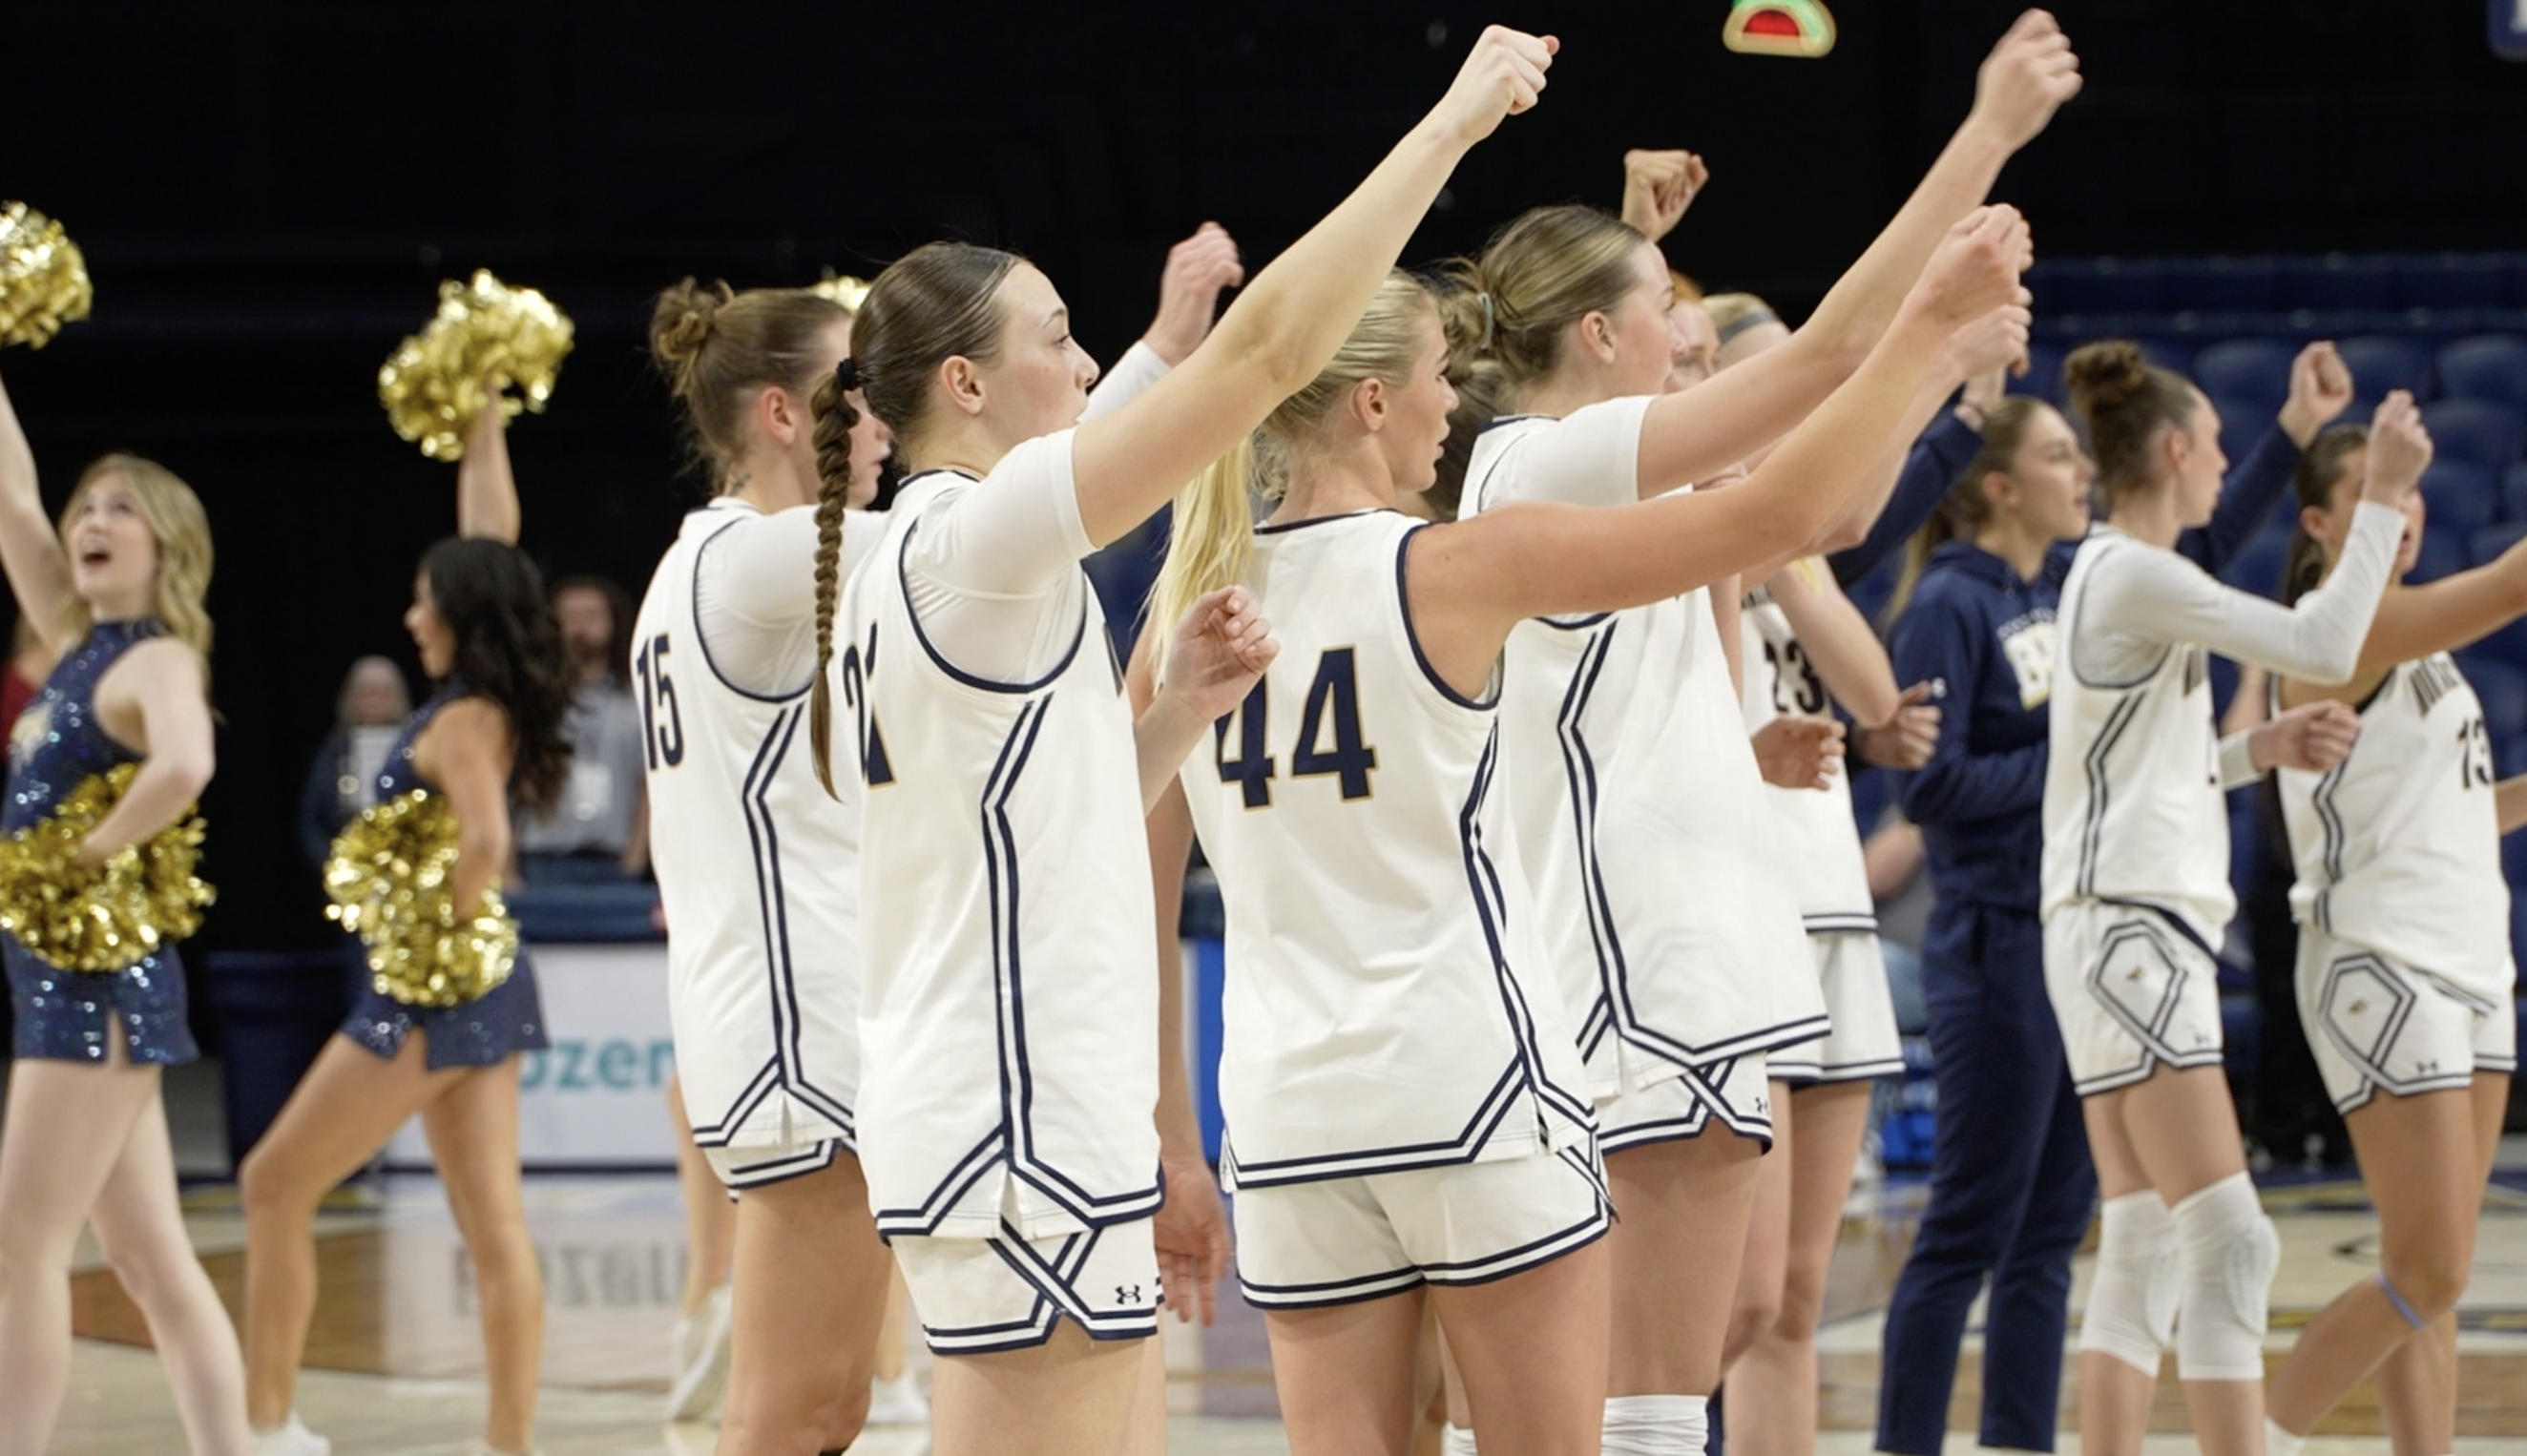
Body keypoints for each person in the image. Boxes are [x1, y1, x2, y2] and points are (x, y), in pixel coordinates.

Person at [1149, 182, 2036, 1454]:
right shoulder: (1455, 565)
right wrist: (1932, 326)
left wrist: (1175, 1141)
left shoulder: (1183, 613)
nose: (1456, 401)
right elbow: (1785, 514)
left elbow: (1122, 877)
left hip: (1287, 1112)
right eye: (1437, 375)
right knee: (1637, 1410)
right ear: (1372, 401)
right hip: (1478, 1075)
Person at [807, 29, 1561, 1456]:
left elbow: (1038, 817)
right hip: (1014, 1115)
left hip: (999, 1106)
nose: (1088, 360)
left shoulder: (917, 561)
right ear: (963, 384)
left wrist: (1165, 721)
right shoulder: (975, 537)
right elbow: (1265, 354)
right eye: (1055, 338)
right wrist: (1453, 124)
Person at [1438, 16, 2076, 1454]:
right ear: (1598, 335)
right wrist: (1982, 146)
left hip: (1687, 930)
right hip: (1624, 953)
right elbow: (1822, 378)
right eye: (1666, 316)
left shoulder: (1597, 462)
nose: (1690, 337)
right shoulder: (1549, 459)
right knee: (1637, 1388)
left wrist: (1925, 355)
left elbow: (1825, 508)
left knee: (1717, 1327)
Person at [635, 218, 1241, 1450]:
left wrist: (1174, 710)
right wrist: (1161, 357)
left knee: (829, 1402)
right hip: (811, 1025)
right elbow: (1035, 504)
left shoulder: (732, 568)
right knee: (794, 1409)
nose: (868, 415)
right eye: (845, 391)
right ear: (779, 415)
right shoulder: (780, 559)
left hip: (808, 1017)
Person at [1873, 338, 2353, 1456]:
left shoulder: (2074, 576)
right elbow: (1932, 786)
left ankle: (2020, 1438)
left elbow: (2192, 560)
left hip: (2086, 924)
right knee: (1984, 1223)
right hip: (2015, 929)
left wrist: (2287, 435)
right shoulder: (1955, 600)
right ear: (1998, 485)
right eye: (2055, 454)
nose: (2078, 469)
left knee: (2081, 1231)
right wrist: (2074, 764)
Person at [2038, 343, 2416, 1456]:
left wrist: (2256, 746)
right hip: (2128, 926)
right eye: (2212, 443)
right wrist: (2383, 495)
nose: (2222, 463)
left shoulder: (2115, 573)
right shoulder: (2132, 574)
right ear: (2171, 448)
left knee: (2146, 1239)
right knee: (2230, 1241)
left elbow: (2136, 768)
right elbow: (2323, 640)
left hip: (2109, 924)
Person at [240, 399, 571, 1456]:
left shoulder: (465, 718)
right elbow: (491, 542)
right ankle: (507, 1444)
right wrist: (483, 422)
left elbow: (485, 838)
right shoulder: (482, 698)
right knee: (493, 1225)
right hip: (478, 986)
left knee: (272, 1181)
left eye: (427, 599)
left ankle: (264, 1428)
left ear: (459, 615)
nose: (412, 614)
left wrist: (441, 936)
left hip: (431, 991)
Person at [2264, 413, 2523, 1456]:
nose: (2404, 507)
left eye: (2411, 489)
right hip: (2382, 961)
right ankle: (2254, 1440)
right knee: (2428, 1268)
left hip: (2471, 959)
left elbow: (2446, 814)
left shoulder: (2416, 645)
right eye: (2377, 489)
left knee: (2432, 1272)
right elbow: (2510, 584)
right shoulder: (2336, 630)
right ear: (2322, 523)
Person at [0, 370, 247, 1456]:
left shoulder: (156, 654)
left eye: (121, 509)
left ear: (167, 546)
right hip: (77, 983)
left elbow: (187, 762)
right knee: (150, 1260)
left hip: (92, 986)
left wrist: (87, 852)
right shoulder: (73, 641)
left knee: (21, 1249)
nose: (91, 521)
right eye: (86, 506)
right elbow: (12, 498)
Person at [514, 575, 647, 885]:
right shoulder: (531, 703)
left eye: (592, 616)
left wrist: (636, 857)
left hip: (614, 861)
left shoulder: (637, 700)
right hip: (542, 859)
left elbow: (650, 787)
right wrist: (506, 871)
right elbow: (511, 786)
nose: (581, 628)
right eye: (570, 617)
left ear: (614, 623)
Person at [295, 656, 412, 874]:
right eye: (367, 691)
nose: (375, 699)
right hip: (346, 869)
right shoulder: (333, 751)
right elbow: (311, 820)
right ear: (350, 698)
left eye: (384, 692)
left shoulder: (415, 749)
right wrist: (333, 865)